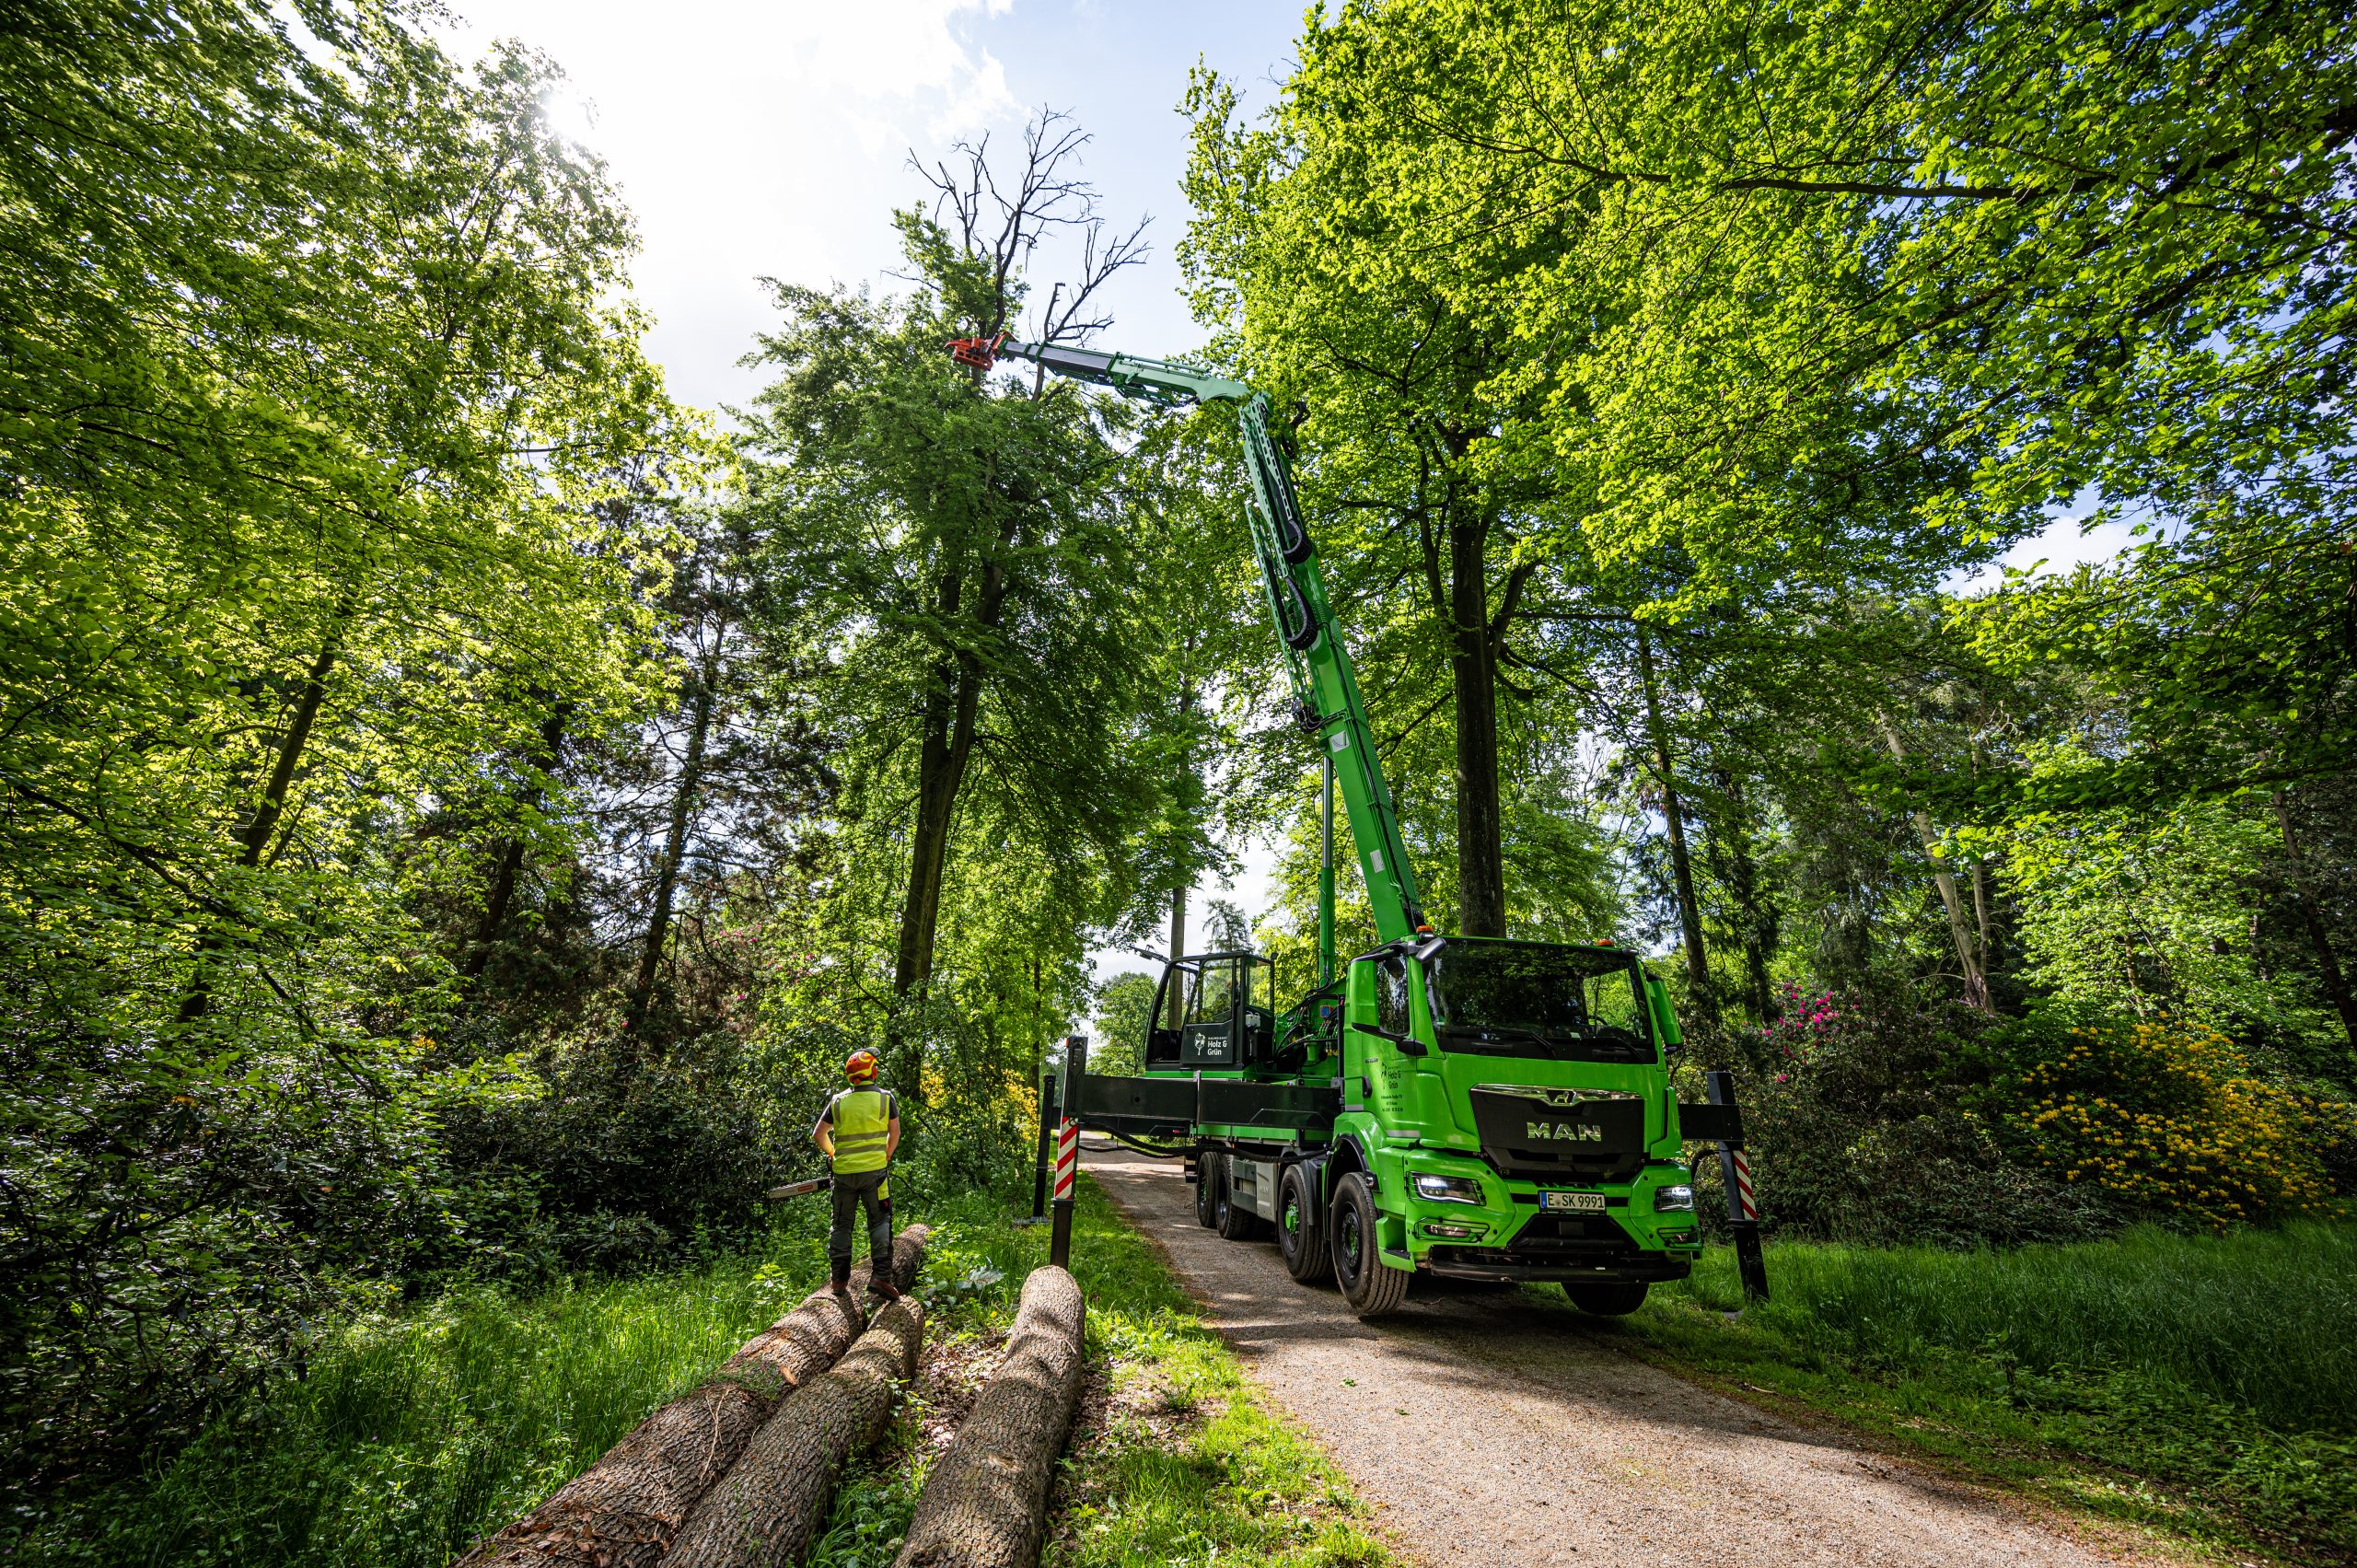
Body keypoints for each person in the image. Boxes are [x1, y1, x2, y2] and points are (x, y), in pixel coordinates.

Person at [814, 1048, 900, 1308]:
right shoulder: (885, 1098)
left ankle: (839, 1281)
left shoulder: (838, 1101)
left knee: (841, 1224)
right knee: (880, 1220)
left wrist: (833, 1154)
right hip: (875, 1174)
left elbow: (819, 1134)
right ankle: (881, 1277)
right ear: (872, 1072)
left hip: (843, 1175)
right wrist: (886, 1155)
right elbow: (895, 1133)